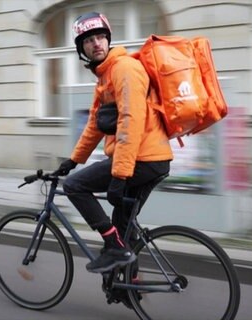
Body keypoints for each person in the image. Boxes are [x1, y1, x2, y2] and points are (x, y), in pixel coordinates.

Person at [57, 12, 173, 274]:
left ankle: (115, 247)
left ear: (108, 40)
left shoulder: (124, 70)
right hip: (146, 159)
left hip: (144, 159)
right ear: (81, 48)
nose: (96, 43)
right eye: (88, 40)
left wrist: (119, 176)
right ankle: (128, 289)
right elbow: (95, 125)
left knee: (75, 186)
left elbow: (131, 123)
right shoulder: (104, 77)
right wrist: (74, 160)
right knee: (122, 229)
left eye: (100, 37)